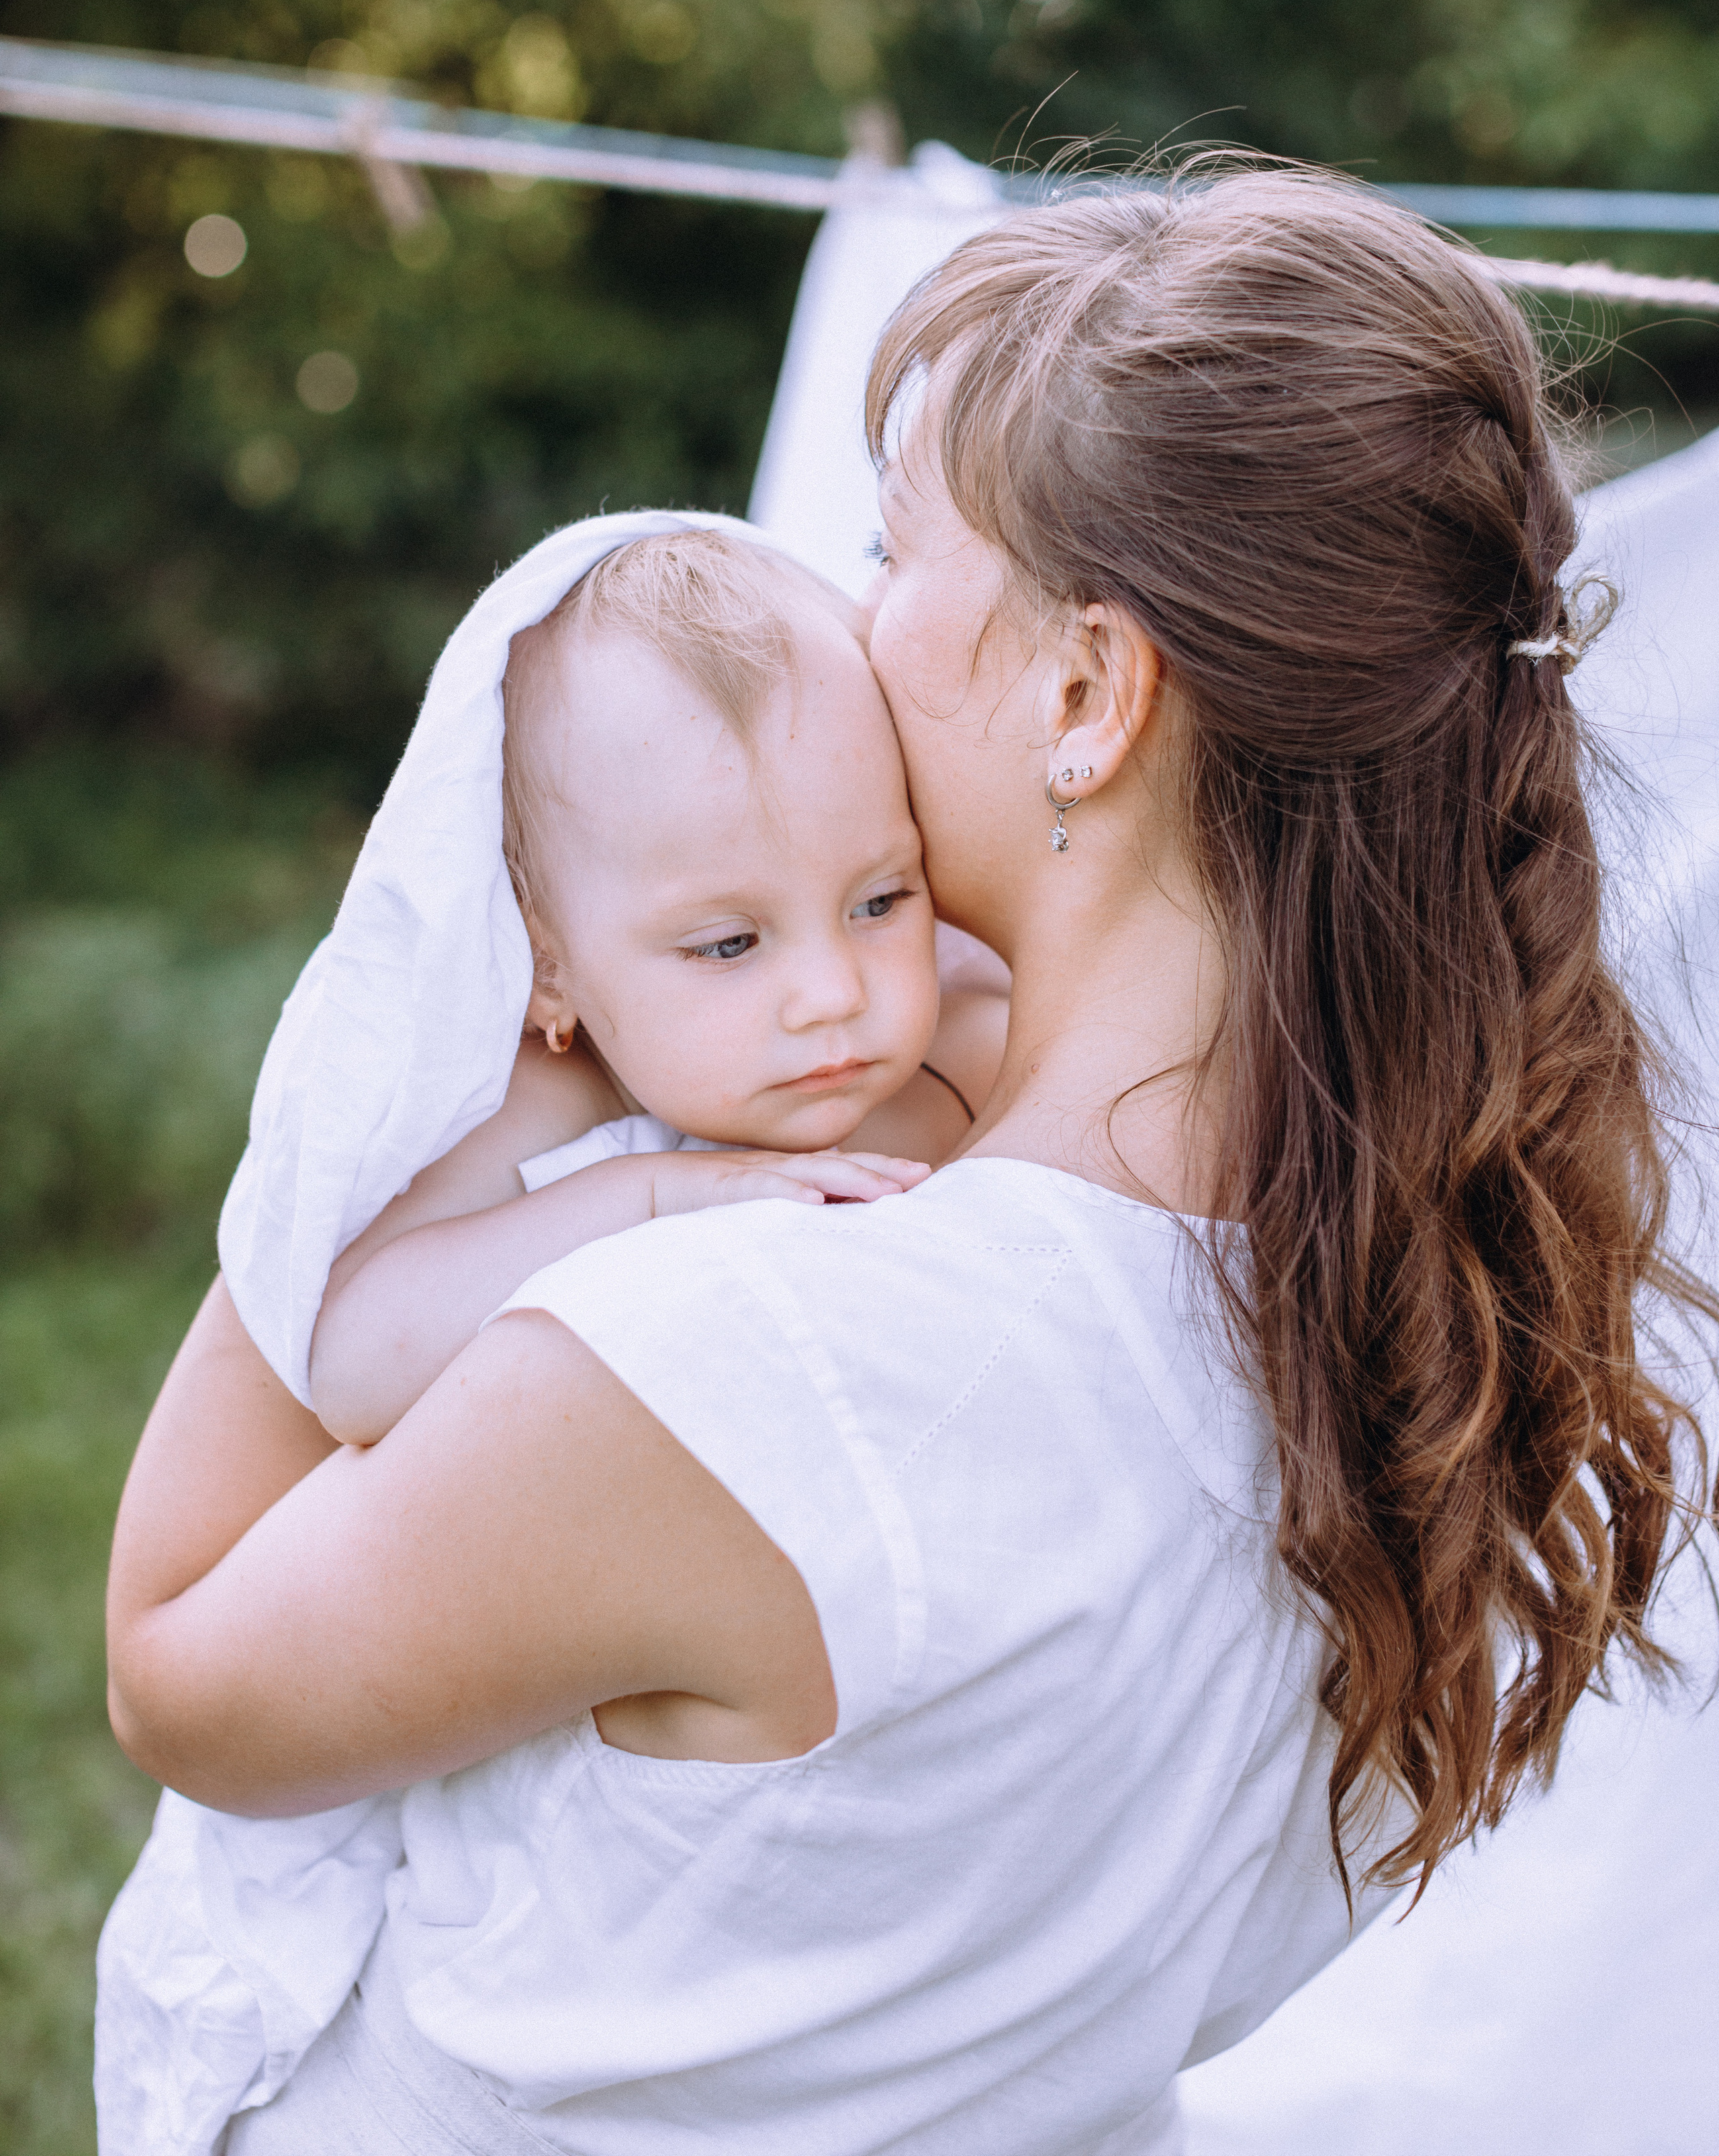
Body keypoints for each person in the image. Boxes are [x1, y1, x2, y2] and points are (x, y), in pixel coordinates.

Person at [105, 167, 1710, 2156]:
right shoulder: (1404, 1323)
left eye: (895, 548)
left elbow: (177, 1666)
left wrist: (431, 1075)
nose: (852, 619)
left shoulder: (725, 1357)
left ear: (1086, 693)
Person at [95, 522, 1005, 2155]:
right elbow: (354, 1348)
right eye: (727, 943)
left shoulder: (910, 1045)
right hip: (382, 1693)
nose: (830, 994)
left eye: (879, 898)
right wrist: (650, 1204)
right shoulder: (526, 1113)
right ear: (550, 963)